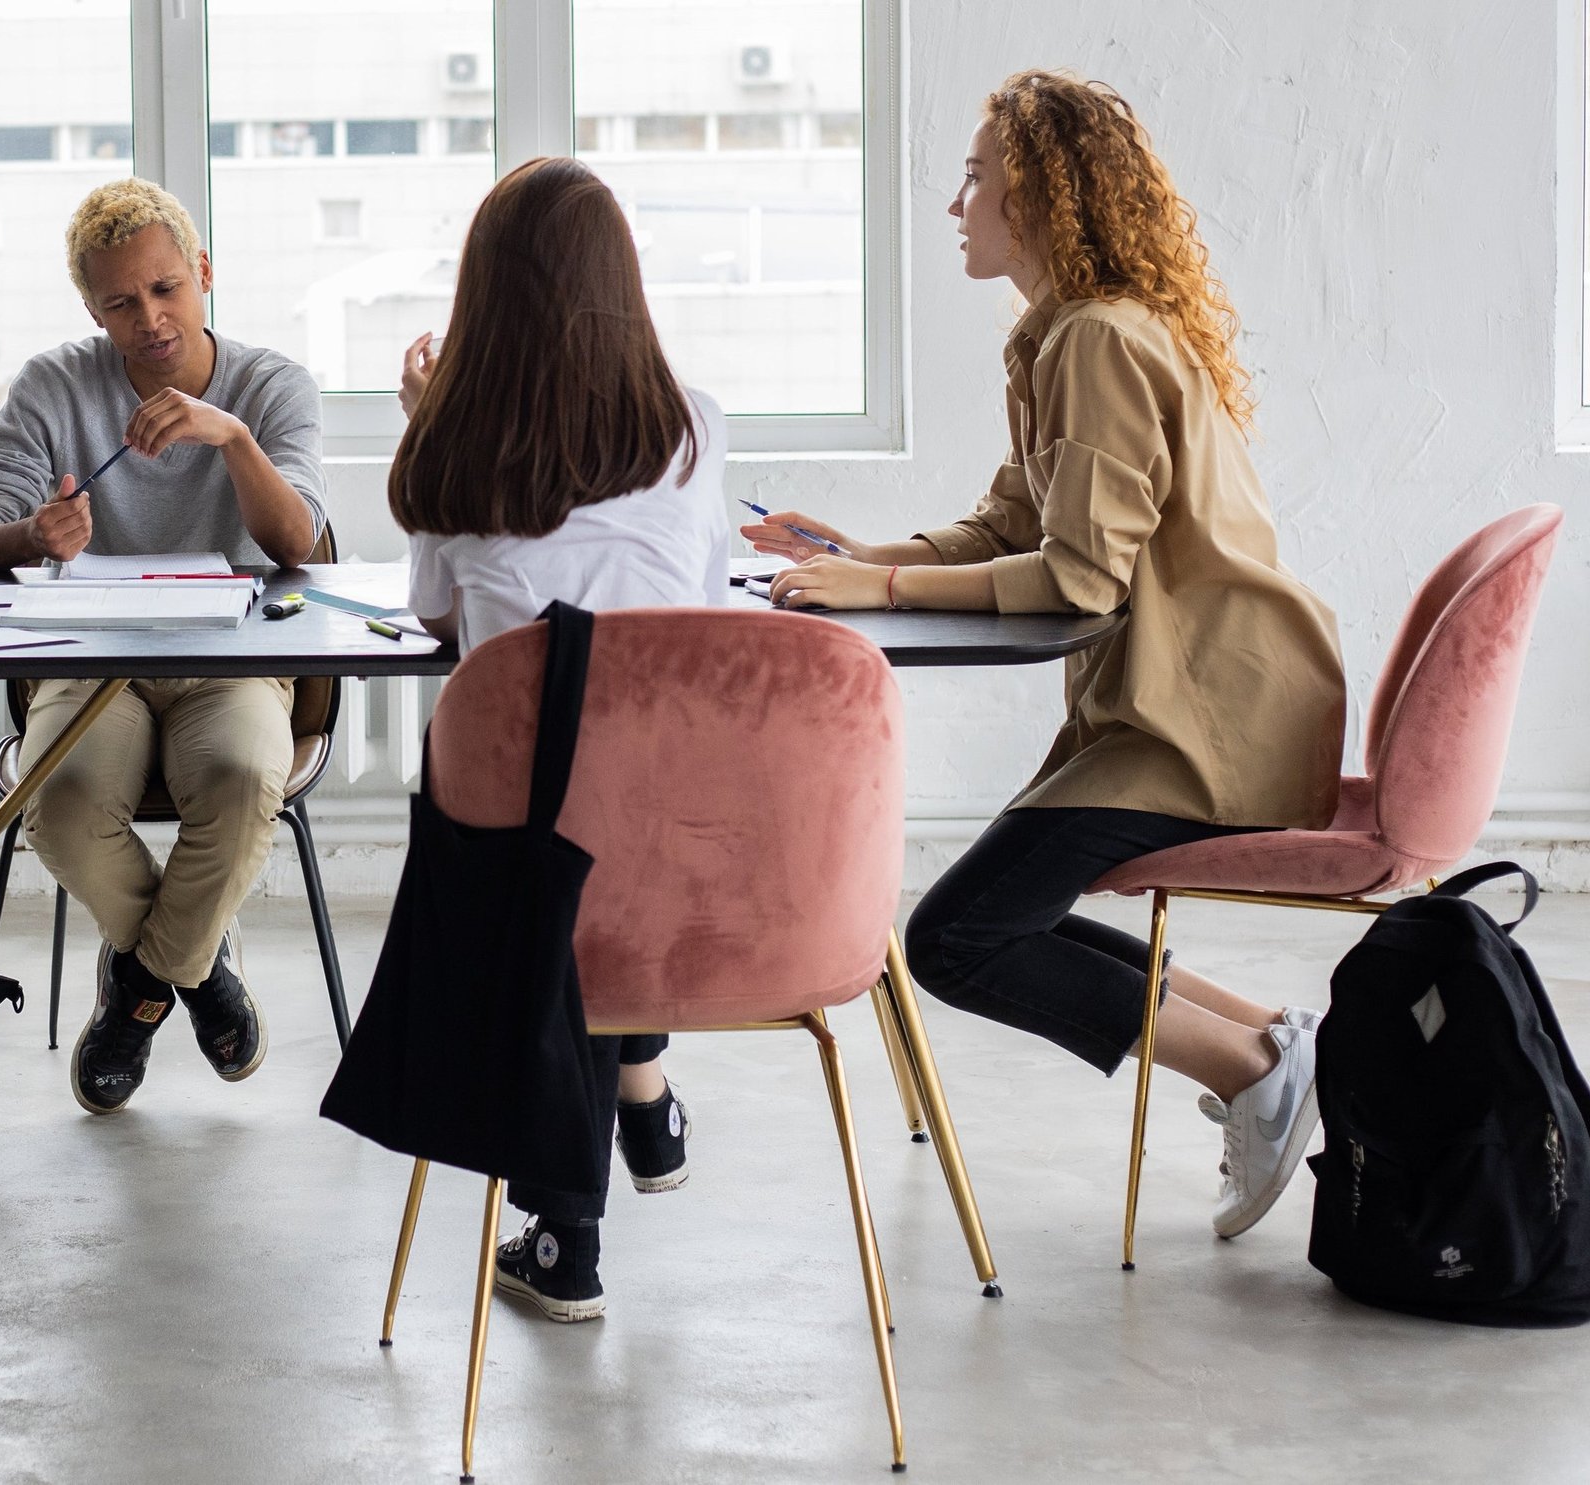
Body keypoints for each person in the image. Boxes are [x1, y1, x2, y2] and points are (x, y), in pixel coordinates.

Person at [744, 71, 1348, 1239]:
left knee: (956, 938)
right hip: (1178, 712)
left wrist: (880, 587)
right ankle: (1271, 1040)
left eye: (976, 175)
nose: (955, 200)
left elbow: (1078, 579)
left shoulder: (1099, 343)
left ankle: (1252, 1075)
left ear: (1039, 193)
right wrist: (863, 552)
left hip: (1211, 725)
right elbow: (1010, 525)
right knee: (989, 913)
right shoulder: (1063, 335)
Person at [394, 156, 731, 1322]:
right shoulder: (691, 428)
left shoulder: (453, 450)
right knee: (609, 818)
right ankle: (641, 1088)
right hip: (675, 828)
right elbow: (696, 616)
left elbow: (438, 621)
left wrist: (425, 424)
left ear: (483, 297)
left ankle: (569, 1240)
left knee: (556, 842)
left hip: (504, 852)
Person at [0, 179, 326, 1115]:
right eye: (120, 301)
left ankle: (140, 987)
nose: (150, 318)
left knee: (241, 783)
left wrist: (230, 437)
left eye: (165, 289)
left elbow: (298, 543)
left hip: (231, 657)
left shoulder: (270, 386)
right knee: (61, 804)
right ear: (91, 307)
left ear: (202, 274)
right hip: (88, 655)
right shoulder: (54, 384)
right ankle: (198, 966)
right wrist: (34, 536)